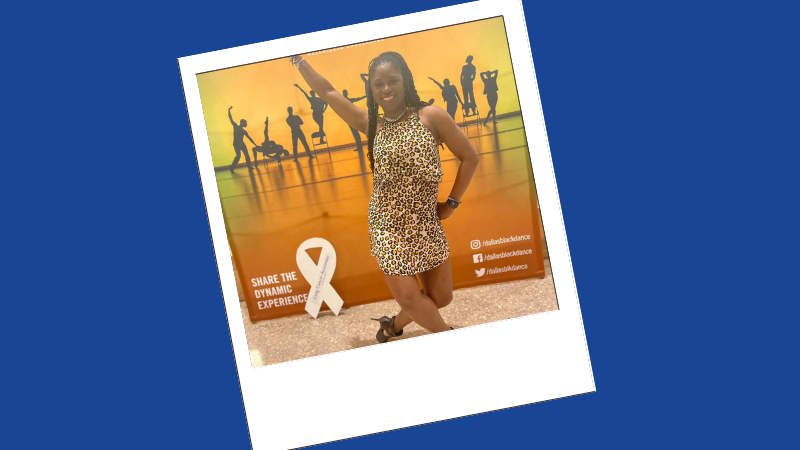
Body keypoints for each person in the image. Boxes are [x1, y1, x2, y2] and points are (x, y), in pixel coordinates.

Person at [288, 51, 479, 342]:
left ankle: (391, 325)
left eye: (392, 80)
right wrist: (298, 60)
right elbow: (327, 92)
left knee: (441, 297)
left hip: (425, 221)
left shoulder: (431, 116)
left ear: (405, 81)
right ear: (371, 89)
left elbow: (470, 157)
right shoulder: (369, 122)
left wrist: (452, 203)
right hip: (386, 224)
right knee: (411, 298)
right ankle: (451, 339)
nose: (386, 89)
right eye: (378, 84)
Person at [228, 106, 256, 172]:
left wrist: (255, 144)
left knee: (246, 155)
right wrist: (229, 110)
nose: (246, 124)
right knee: (238, 156)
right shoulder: (236, 126)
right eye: (245, 123)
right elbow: (230, 118)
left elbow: (249, 138)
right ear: (242, 123)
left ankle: (249, 167)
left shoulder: (244, 131)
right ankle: (232, 168)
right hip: (236, 144)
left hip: (241, 143)